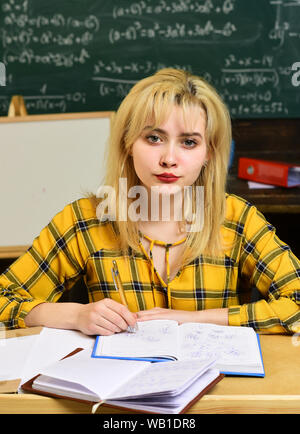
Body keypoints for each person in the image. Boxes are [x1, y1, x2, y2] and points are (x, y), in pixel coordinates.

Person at [0, 68, 299, 336]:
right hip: (117, 394)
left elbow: (296, 301)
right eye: (154, 138)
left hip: (220, 394)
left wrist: (192, 319)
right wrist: (76, 314)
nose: (169, 158)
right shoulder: (86, 219)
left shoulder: (236, 219)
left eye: (189, 142)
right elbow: (4, 298)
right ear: (128, 143)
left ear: (209, 153)